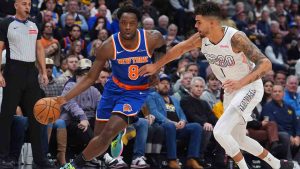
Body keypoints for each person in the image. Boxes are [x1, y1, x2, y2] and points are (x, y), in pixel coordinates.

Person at [138, 2, 294, 169]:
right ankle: (278, 164)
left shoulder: (235, 38)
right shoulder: (201, 39)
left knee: (219, 132)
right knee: (238, 139)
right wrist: (155, 66)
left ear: (211, 22)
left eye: (199, 21)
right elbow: (179, 49)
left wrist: (240, 82)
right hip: (230, 91)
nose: (195, 25)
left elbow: (265, 64)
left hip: (249, 87)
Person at [57, 5, 165, 169]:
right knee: (100, 141)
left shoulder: (152, 37)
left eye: (132, 23)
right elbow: (90, 78)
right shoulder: (108, 46)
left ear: (138, 24)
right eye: (123, 22)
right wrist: (64, 98)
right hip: (113, 89)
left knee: (107, 133)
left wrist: (156, 67)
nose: (127, 27)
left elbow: (162, 47)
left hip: (136, 92)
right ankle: (119, 134)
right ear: (118, 23)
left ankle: (73, 166)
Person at [0, 0, 55, 168]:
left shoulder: (34, 24)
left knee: (36, 117)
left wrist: (43, 72)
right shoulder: (6, 23)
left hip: (31, 73)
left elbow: (39, 49)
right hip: (13, 71)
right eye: (24, 4)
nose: (27, 7)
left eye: (29, 4)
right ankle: (3, 157)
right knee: (6, 117)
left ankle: (40, 159)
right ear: (16, 5)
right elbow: (0, 47)